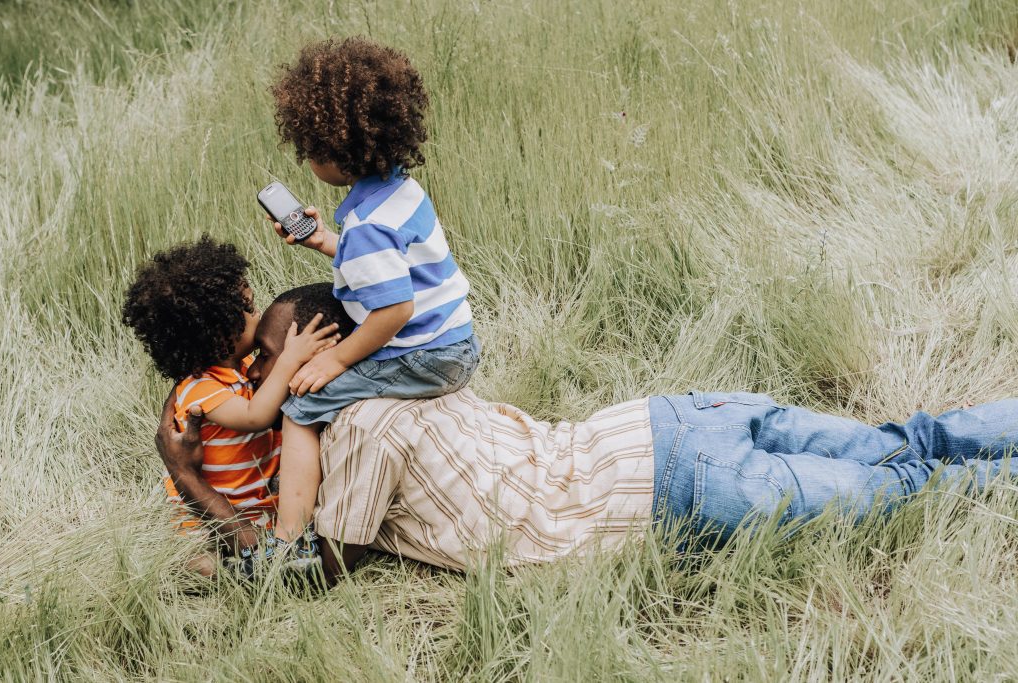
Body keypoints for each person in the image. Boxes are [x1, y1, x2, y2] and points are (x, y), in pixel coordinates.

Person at [155, 285, 1018, 585]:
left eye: (268, 361)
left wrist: (188, 474)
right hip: (674, 417)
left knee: (915, 486)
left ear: (320, 357)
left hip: (668, 490)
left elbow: (303, 574)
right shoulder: (418, 362)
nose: (257, 379)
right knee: (910, 439)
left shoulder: (358, 434)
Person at [263, 38, 481, 555]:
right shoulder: (401, 193)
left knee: (300, 406)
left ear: (336, 153)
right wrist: (323, 243)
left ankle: (288, 543)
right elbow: (390, 274)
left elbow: (394, 309)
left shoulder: (366, 227)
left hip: (424, 357)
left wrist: (335, 360)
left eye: (311, 150)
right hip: (458, 342)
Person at [122, 239, 338, 574]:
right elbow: (256, 417)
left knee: (272, 547)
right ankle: (217, 574)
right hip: (204, 522)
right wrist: (290, 357)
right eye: (250, 310)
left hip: (253, 506)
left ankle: (258, 565)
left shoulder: (243, 369)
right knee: (201, 562)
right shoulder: (199, 389)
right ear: (221, 330)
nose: (258, 313)